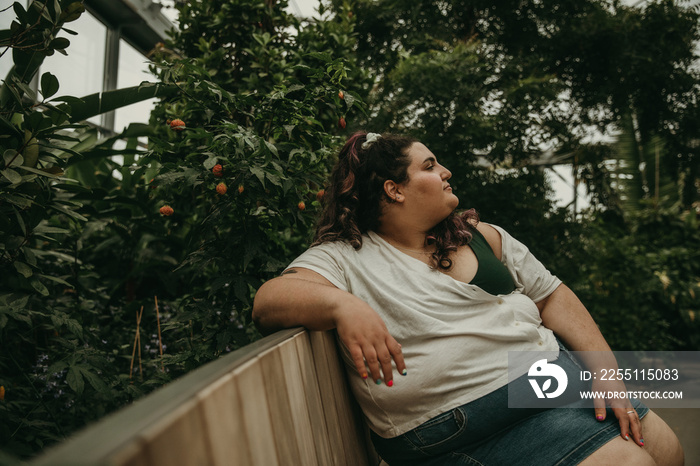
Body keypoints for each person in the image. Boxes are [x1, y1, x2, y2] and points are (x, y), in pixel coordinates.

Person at [252, 132, 684, 465]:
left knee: (667, 450)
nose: (446, 172)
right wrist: (341, 304)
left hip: (544, 383)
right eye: (430, 165)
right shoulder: (346, 257)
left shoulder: (481, 236)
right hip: (458, 422)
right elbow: (270, 299)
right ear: (394, 189)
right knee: (629, 460)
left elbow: (552, 296)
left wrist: (607, 376)